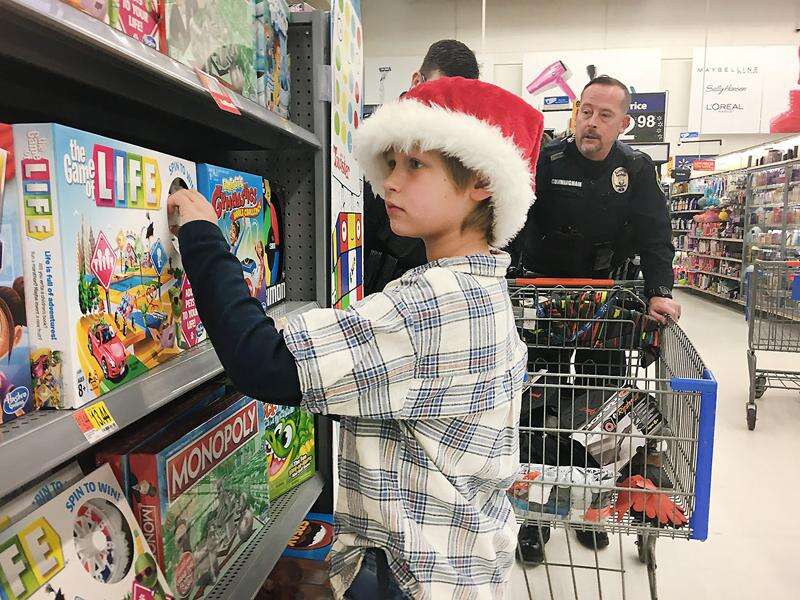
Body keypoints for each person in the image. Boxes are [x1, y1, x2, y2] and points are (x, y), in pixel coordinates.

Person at [169, 77, 544, 599]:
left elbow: (261, 361)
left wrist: (202, 235)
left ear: (481, 179)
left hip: (414, 577)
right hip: (467, 562)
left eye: (416, 165)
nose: (391, 182)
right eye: (391, 164)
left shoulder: (431, 303)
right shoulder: (486, 290)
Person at [510, 75, 681, 564]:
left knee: (597, 411)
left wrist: (660, 292)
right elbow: (509, 221)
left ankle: (587, 508)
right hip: (539, 302)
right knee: (537, 411)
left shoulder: (637, 170)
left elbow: (655, 238)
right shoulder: (544, 159)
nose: (591, 122)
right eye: (585, 110)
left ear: (624, 123)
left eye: (605, 115)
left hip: (606, 309)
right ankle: (533, 518)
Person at [364, 39, 480, 296]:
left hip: (430, 280)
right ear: (417, 81)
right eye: (437, 92)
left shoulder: (460, 147)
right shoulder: (376, 137)